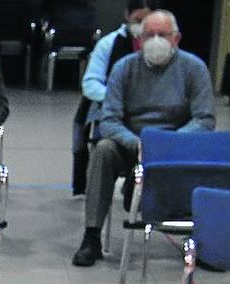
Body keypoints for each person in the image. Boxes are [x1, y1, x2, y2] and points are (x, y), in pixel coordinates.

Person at [72, 11, 215, 266]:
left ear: (177, 38)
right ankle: (91, 235)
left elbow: (204, 119)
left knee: (219, 156)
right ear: (139, 40)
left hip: (178, 148)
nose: (156, 40)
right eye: (150, 35)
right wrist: (136, 142)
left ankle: (204, 239)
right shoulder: (124, 68)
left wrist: (170, 142)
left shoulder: (194, 68)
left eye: (163, 35)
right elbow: (110, 120)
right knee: (103, 150)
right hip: (132, 146)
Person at [72, 0, 153, 193]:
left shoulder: (161, 44)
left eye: (147, 19)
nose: (141, 25)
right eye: (137, 19)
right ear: (127, 16)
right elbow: (90, 85)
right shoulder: (108, 44)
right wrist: (119, 98)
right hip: (114, 109)